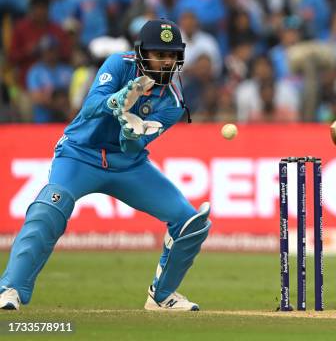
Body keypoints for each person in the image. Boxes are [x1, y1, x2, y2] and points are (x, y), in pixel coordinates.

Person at [0, 19, 210, 311]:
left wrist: (132, 134)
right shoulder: (118, 65)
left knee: (191, 223)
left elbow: (134, 146)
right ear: (141, 54)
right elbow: (89, 107)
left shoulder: (173, 103)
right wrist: (118, 100)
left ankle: (162, 296)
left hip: (128, 165)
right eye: (160, 55)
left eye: (172, 56)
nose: (166, 62)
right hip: (80, 154)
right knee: (50, 207)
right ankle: (11, 289)